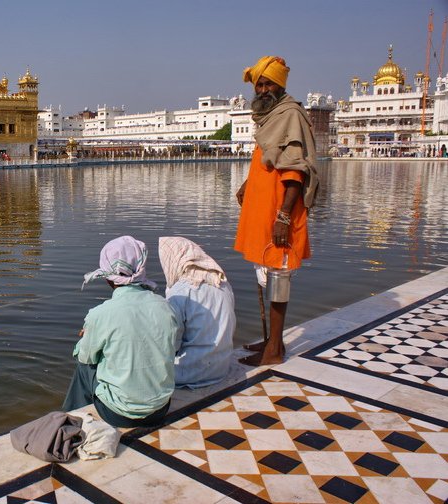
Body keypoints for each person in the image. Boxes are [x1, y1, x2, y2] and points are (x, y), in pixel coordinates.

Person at [234, 56, 319, 366]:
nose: (262, 88)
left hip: (280, 213)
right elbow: (269, 158)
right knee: (268, 272)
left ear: (280, 85)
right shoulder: (270, 116)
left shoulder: (291, 115)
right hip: (264, 209)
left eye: (268, 82)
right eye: (259, 83)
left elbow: (295, 171)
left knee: (280, 276)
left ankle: (274, 352)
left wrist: (284, 215)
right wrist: (247, 183)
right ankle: (272, 341)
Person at [62, 236, 183, 428]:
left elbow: (85, 357)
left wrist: (88, 336)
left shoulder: (101, 313)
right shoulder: (166, 307)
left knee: (85, 368)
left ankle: (72, 420)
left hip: (118, 414)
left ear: (108, 279)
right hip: (160, 409)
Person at [158, 236, 235, 388]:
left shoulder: (181, 291)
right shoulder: (222, 283)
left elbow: (172, 343)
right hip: (221, 368)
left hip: (190, 372)